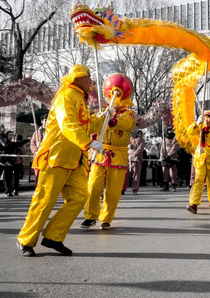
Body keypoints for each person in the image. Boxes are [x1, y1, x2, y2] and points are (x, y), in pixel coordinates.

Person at [16, 64, 103, 257]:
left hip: (74, 160)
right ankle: (26, 239)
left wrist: (103, 119)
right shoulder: (66, 96)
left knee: (80, 197)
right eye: (88, 76)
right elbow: (68, 125)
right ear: (78, 78)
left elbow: (84, 123)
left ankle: (54, 236)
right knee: (44, 201)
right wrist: (88, 143)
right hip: (55, 158)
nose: (91, 80)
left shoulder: (80, 98)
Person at [80, 75, 137, 230]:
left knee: (112, 191)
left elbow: (127, 124)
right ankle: (90, 216)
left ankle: (106, 218)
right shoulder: (102, 112)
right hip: (100, 151)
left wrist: (113, 120)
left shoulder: (129, 113)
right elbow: (91, 126)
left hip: (118, 155)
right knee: (93, 186)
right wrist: (101, 117)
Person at [186, 110, 210, 214]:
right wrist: (196, 123)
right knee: (198, 180)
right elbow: (189, 132)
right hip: (200, 159)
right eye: (204, 118)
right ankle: (193, 204)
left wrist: (206, 149)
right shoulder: (200, 127)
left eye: (208, 118)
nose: (206, 120)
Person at [160, 127, 180, 192]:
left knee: (172, 173)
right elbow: (162, 148)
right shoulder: (164, 139)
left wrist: (169, 155)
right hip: (164, 158)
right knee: (165, 173)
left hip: (172, 158)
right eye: (169, 130)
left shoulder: (175, 139)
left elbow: (175, 147)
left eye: (171, 130)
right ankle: (166, 186)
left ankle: (174, 185)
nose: (170, 132)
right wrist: (162, 156)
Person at [30, 114, 47, 185]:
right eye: (45, 120)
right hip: (38, 157)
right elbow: (32, 144)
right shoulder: (36, 133)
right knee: (38, 178)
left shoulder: (52, 132)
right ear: (42, 121)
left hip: (48, 158)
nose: (47, 122)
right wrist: (36, 151)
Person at [127, 127, 145, 194]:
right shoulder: (128, 137)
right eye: (134, 128)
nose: (135, 130)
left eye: (136, 128)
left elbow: (140, 148)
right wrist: (127, 146)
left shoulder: (141, 139)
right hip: (128, 158)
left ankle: (135, 189)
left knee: (136, 175)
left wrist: (134, 154)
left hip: (136, 158)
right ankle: (123, 188)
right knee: (126, 174)